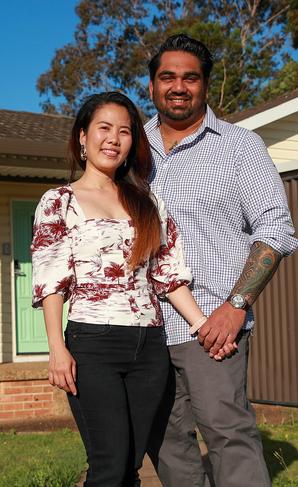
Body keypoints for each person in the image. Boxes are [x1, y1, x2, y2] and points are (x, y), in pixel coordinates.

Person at [31, 91, 228, 486]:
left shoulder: (147, 201)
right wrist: (57, 349)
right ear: (82, 138)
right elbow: (52, 280)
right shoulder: (58, 202)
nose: (114, 139)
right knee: (109, 466)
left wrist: (204, 327)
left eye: (124, 132)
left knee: (131, 467)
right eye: (104, 128)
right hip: (92, 345)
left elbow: (169, 275)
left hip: (148, 347)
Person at [145, 34, 298, 487]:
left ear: (205, 86)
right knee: (167, 443)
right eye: (167, 77)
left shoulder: (240, 147)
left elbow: (276, 232)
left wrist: (237, 307)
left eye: (190, 77)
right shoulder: (131, 150)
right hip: (143, 329)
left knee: (228, 436)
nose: (178, 86)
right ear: (151, 86)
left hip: (211, 329)